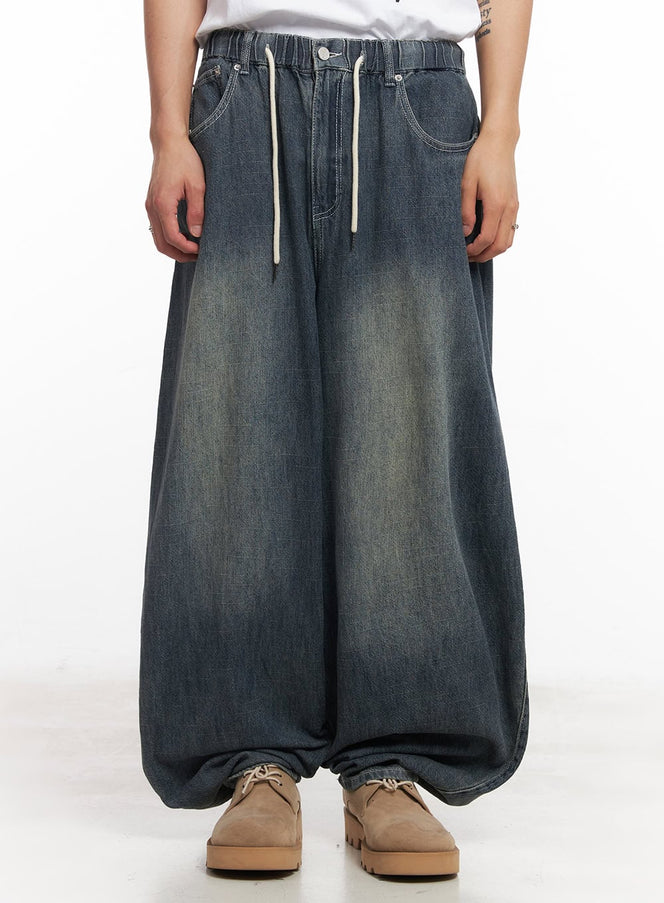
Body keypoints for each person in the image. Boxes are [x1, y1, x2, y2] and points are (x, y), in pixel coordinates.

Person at [141, 0, 533, 878]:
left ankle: (392, 762)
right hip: (243, 97)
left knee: (407, 447)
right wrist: (168, 131)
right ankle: (255, 760)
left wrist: (501, 130)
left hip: (417, 100)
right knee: (235, 434)